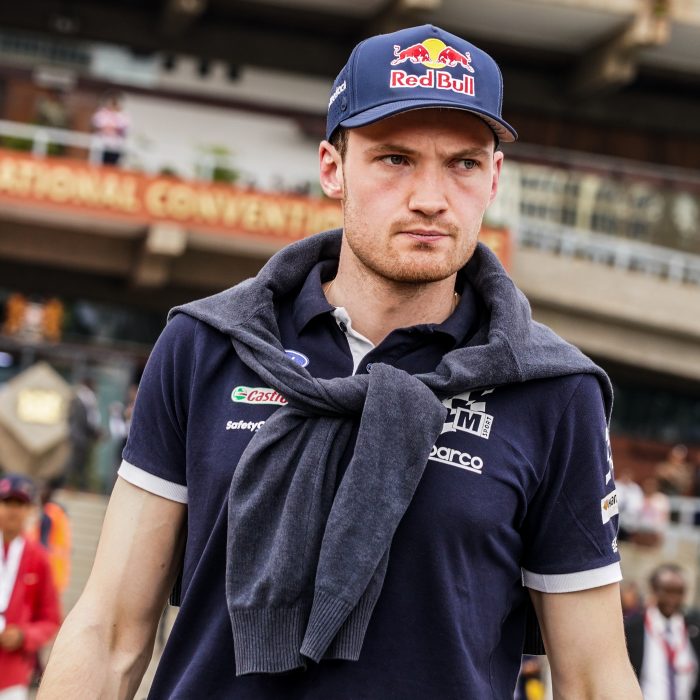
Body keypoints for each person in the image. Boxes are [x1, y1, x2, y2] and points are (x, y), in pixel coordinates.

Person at [38, 24, 641, 699]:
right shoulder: (207, 345)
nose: (431, 198)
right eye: (394, 159)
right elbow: (111, 633)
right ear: (333, 168)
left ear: (494, 177)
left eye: (463, 164)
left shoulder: (552, 390)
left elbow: (594, 679)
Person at [0, 474, 61, 700]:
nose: (13, 510)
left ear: (30, 510)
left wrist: (24, 636)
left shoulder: (38, 558)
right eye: (7, 502)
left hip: (12, 673)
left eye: (20, 504)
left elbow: (51, 618)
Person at [625, 564, 700, 699]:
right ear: (654, 589)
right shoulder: (633, 628)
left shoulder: (693, 628)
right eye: (667, 591)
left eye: (679, 592)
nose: (673, 599)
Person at [91, 91, 130, 166]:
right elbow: (97, 125)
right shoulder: (101, 113)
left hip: (116, 146)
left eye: (115, 102)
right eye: (112, 102)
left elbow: (124, 128)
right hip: (102, 145)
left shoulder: (123, 115)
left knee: (113, 165)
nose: (113, 105)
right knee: (99, 165)